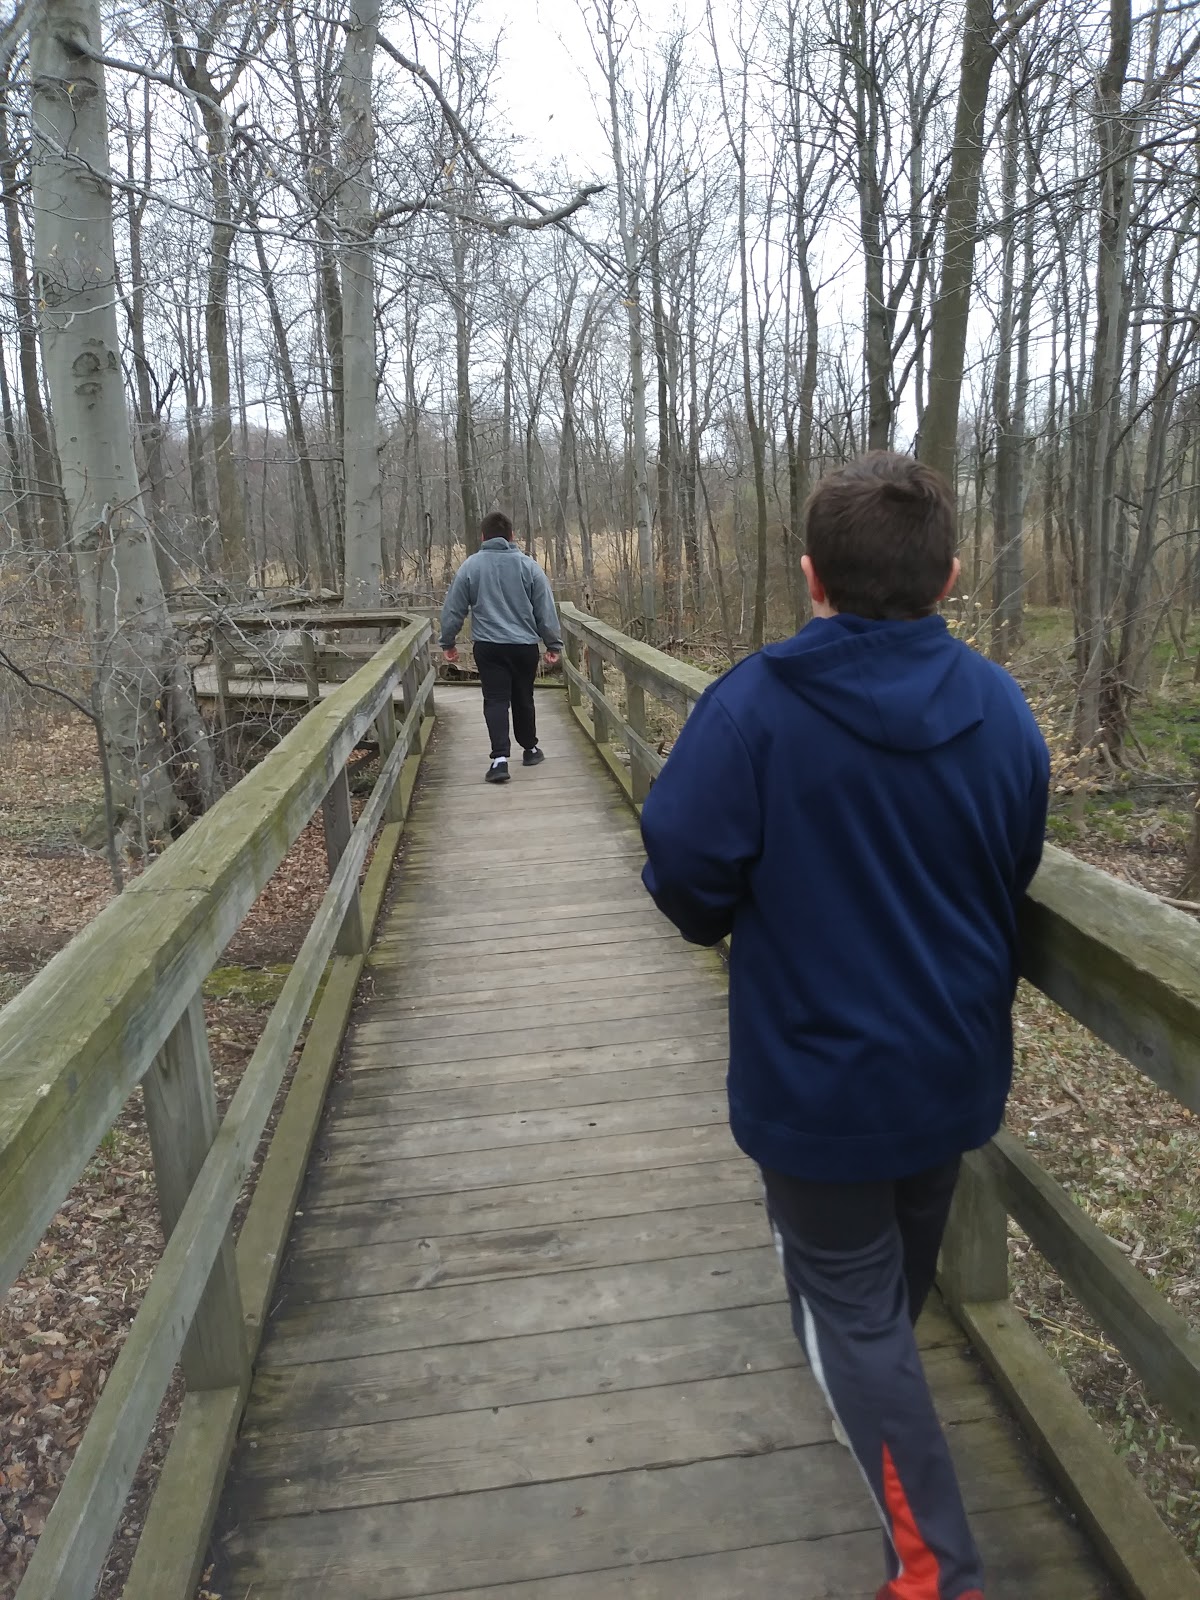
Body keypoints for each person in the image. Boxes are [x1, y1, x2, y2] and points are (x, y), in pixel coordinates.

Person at [639, 451, 1049, 1600]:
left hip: (818, 1087)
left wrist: (726, 912)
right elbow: (1013, 860)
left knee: (857, 1317)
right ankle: (877, 1414)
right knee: (880, 1302)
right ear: (950, 577)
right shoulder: (1002, 710)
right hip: (950, 1068)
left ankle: (936, 1571)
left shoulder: (754, 709)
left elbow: (683, 866)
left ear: (811, 575)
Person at [440, 510, 564, 783]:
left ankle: (499, 760)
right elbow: (544, 609)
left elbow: (454, 609)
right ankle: (530, 749)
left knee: (495, 699)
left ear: (483, 537)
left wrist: (448, 642)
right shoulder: (529, 566)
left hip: (489, 646)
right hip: (524, 645)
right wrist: (553, 644)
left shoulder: (471, 566)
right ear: (512, 536)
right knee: (523, 697)